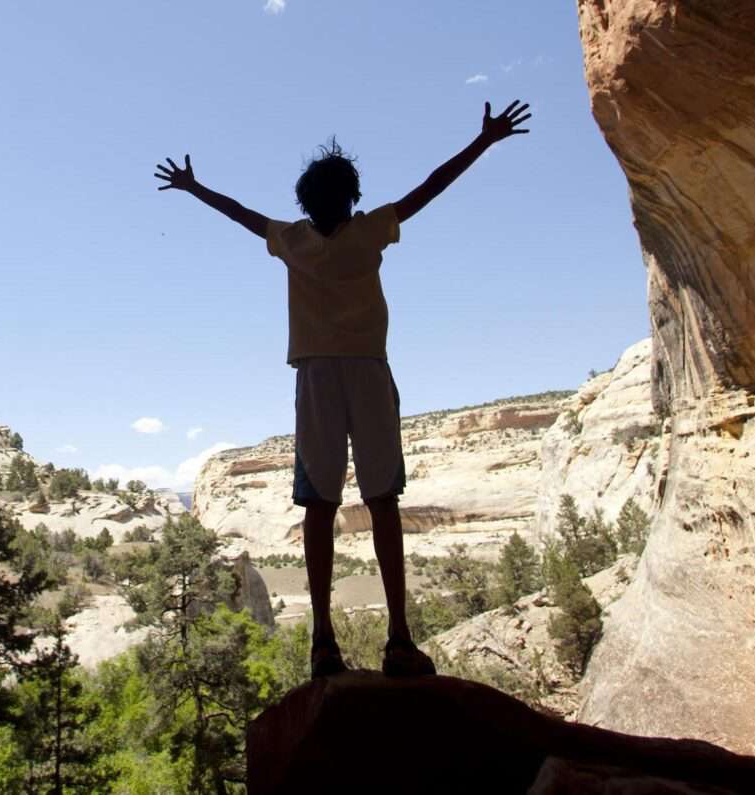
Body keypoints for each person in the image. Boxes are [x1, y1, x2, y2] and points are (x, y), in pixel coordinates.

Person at [154, 100, 532, 678]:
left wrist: (193, 186)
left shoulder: (291, 237)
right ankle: (397, 640)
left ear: (307, 200)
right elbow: (429, 189)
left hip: (317, 377)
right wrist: (483, 142)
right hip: (368, 373)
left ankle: (325, 641)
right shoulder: (369, 228)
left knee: (320, 504)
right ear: (350, 195)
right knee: (380, 501)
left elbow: (242, 215)